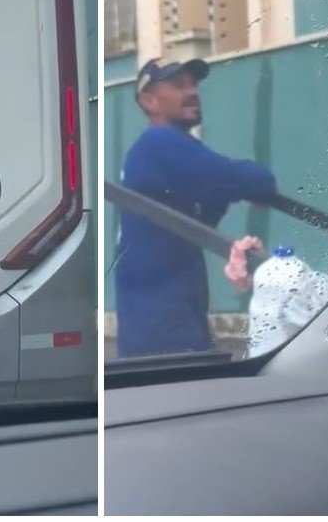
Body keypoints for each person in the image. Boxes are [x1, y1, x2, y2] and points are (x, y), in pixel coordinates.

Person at [114, 58, 276, 358]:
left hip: (158, 325)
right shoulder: (159, 143)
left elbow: (202, 212)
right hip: (163, 334)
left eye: (193, 84)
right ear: (148, 101)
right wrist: (255, 188)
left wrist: (233, 192)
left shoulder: (156, 153)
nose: (191, 91)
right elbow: (244, 178)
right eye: (178, 85)